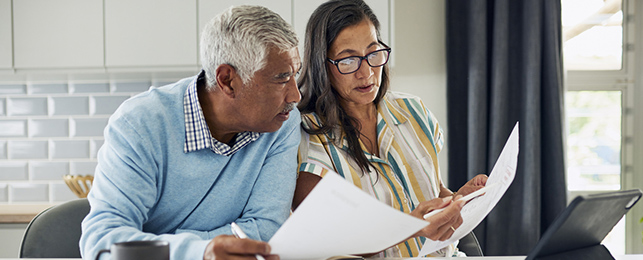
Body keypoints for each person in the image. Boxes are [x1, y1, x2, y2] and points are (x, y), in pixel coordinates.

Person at [80, 5, 301, 260]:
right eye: (282, 79)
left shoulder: (282, 123)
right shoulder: (139, 124)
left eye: (295, 74)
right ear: (227, 80)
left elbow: (266, 231)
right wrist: (200, 252)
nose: (295, 95)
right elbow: (103, 242)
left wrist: (164, 246)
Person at [294, 0, 487, 257]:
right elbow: (327, 240)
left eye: (374, 54)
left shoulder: (413, 110)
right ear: (322, 65)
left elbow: (434, 189)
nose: (367, 72)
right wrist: (411, 227)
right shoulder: (306, 138)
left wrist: (457, 201)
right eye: (349, 60)